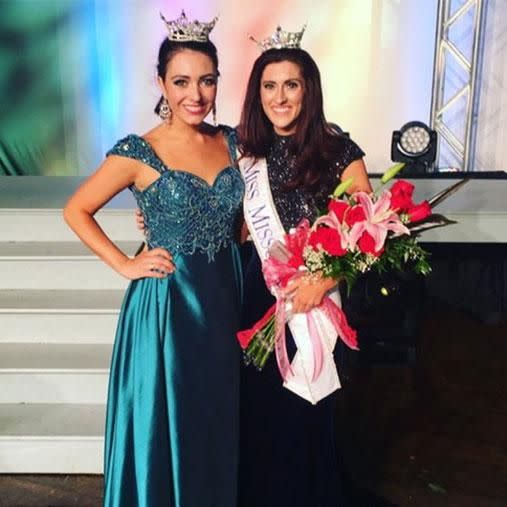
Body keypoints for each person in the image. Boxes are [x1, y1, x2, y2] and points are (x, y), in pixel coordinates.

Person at [63, 12, 243, 507]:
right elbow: (76, 209)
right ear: (161, 82)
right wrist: (125, 264)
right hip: (168, 308)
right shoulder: (138, 151)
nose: (195, 94)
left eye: (206, 81)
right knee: (169, 419)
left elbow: (245, 219)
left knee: (215, 418)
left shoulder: (231, 141)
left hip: (227, 300)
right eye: (182, 81)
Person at [236, 28, 372, 507]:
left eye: (291, 85)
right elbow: (236, 228)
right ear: (258, 94)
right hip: (261, 298)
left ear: (308, 90)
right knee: (264, 411)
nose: (280, 97)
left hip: (317, 302)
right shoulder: (244, 153)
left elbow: (369, 235)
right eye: (269, 86)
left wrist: (323, 281)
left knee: (308, 408)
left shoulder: (339, 151)